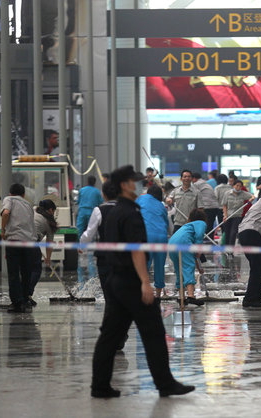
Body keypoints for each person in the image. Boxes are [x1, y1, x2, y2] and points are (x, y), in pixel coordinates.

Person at [91, 165, 194, 399]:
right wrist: (145, 282)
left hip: (115, 280)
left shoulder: (114, 211)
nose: (139, 185)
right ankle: (165, 384)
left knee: (110, 335)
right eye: (134, 181)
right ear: (125, 185)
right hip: (131, 282)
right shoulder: (130, 212)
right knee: (154, 332)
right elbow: (137, 250)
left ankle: (99, 386)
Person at [1, 183, 36, 313]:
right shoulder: (28, 205)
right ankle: (25, 300)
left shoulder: (9, 199)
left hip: (14, 241)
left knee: (14, 273)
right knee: (26, 272)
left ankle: (17, 303)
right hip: (28, 242)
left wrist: (3, 230)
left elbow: (5, 213)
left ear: (11, 193)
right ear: (23, 194)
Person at [80, 180, 117, 293]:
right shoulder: (126, 209)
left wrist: (81, 245)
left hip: (104, 256)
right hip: (123, 256)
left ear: (103, 194)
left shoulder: (99, 210)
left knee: (107, 289)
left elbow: (89, 232)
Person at [136, 185, 170, 298]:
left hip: (147, 236)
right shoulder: (161, 206)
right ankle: (158, 296)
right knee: (159, 266)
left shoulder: (141, 199)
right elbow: (166, 222)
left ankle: (142, 293)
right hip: (162, 237)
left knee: (144, 265)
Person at [168, 209, 207, 306]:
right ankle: (191, 296)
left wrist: (199, 268)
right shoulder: (201, 223)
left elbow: (193, 257)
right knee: (188, 268)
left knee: (179, 269)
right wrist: (198, 249)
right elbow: (199, 236)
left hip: (172, 244)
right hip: (184, 243)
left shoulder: (186, 227)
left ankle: (181, 297)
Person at [28, 199, 58, 306]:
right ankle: (28, 294)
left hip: (20, 241)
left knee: (24, 269)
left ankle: (20, 296)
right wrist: (48, 259)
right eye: (54, 211)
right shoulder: (49, 222)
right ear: (50, 210)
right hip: (32, 243)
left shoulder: (33, 211)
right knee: (36, 270)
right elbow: (49, 245)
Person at [76, 175, 103, 283]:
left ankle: (80, 246)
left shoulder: (82, 190)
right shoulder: (97, 192)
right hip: (92, 212)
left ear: (87, 181)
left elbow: (78, 201)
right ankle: (90, 245)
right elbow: (100, 202)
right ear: (95, 182)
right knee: (90, 230)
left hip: (82, 212)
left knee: (80, 230)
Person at [222, 180, 254, 246]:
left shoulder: (243, 194)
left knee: (233, 233)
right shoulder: (227, 193)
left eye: (240, 186)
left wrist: (251, 199)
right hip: (228, 216)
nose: (238, 187)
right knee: (227, 233)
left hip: (237, 216)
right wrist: (225, 215)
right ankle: (226, 248)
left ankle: (230, 251)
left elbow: (253, 196)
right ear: (233, 185)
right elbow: (224, 205)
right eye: (237, 185)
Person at [192, 172, 220, 241]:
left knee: (204, 226)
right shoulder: (206, 183)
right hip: (215, 206)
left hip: (207, 207)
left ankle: (204, 243)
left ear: (194, 179)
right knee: (210, 227)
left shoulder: (196, 184)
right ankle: (210, 243)